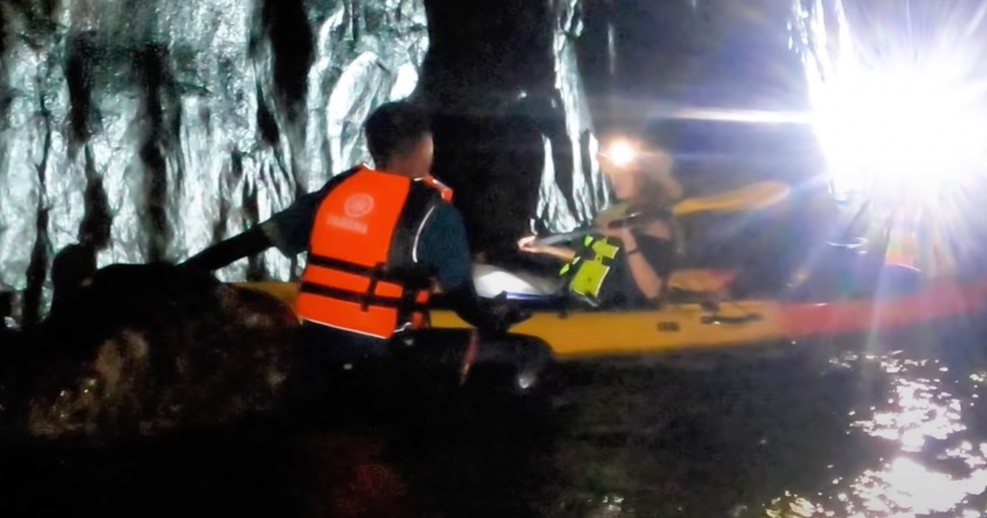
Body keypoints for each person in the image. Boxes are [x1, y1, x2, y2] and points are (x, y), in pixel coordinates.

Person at [184, 101, 498, 366]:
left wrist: (182, 274)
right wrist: (496, 320)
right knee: (510, 354)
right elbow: (463, 303)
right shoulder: (435, 214)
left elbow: (250, 241)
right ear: (423, 146)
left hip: (316, 345)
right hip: (387, 355)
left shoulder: (337, 191)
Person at [516, 136, 685, 307]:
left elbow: (652, 290)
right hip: (575, 309)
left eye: (623, 174)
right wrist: (543, 248)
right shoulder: (615, 216)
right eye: (613, 174)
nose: (614, 179)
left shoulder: (656, 227)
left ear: (644, 180)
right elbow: (589, 259)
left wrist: (628, 240)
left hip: (613, 321)